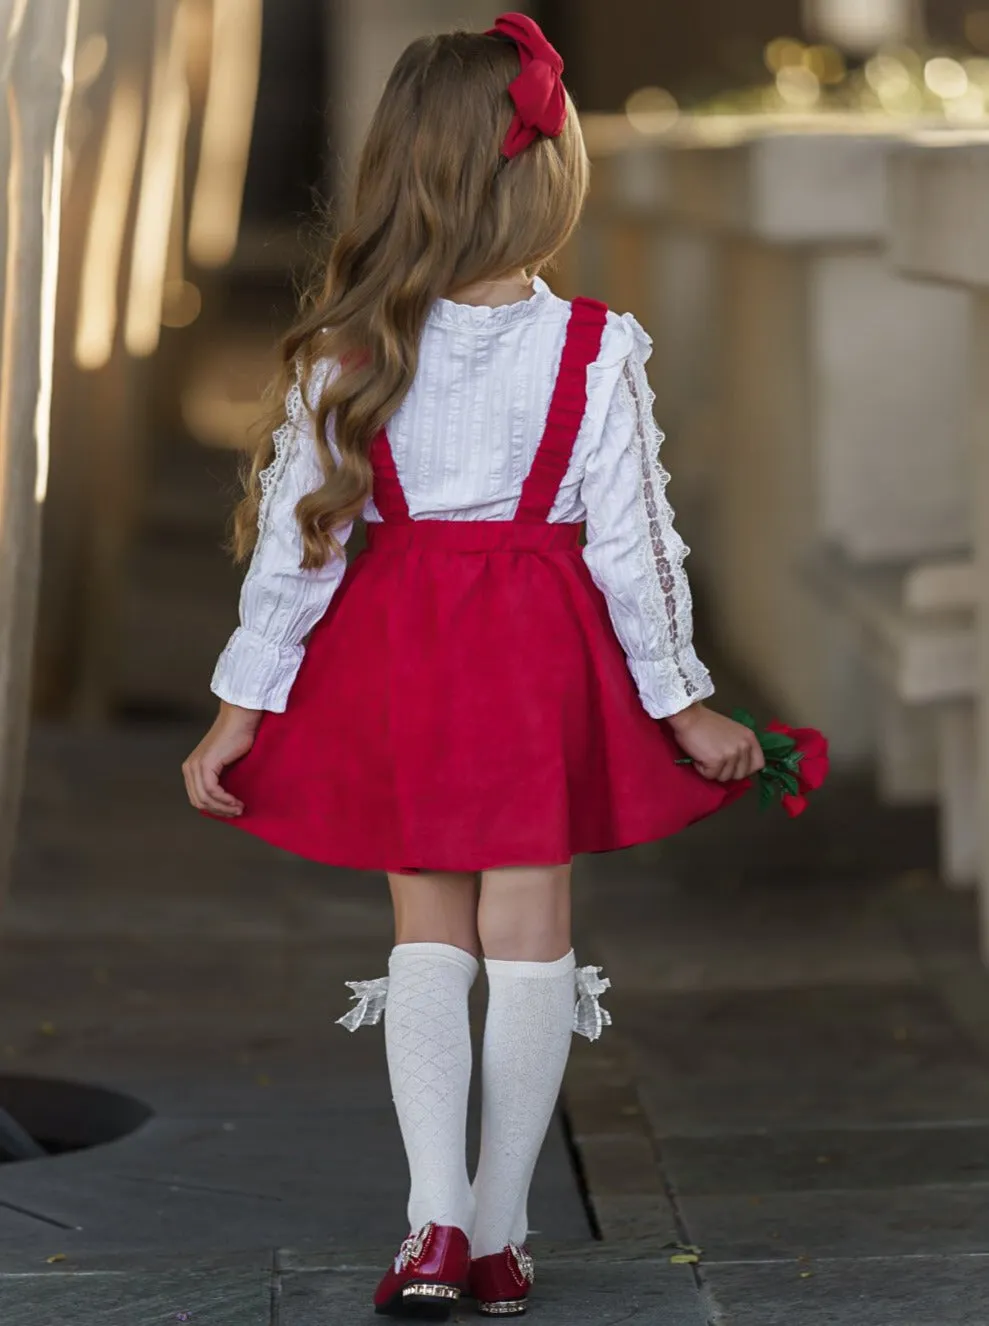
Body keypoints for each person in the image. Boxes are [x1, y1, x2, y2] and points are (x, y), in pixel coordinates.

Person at [182, 13, 764, 1318]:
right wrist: (683, 700)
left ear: (405, 171)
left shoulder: (353, 351)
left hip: (403, 663)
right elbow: (637, 549)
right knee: (530, 939)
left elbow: (295, 548)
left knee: (426, 936)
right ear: (545, 173)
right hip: (530, 667)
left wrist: (238, 710)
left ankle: (432, 1224)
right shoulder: (593, 347)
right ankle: (500, 1234)